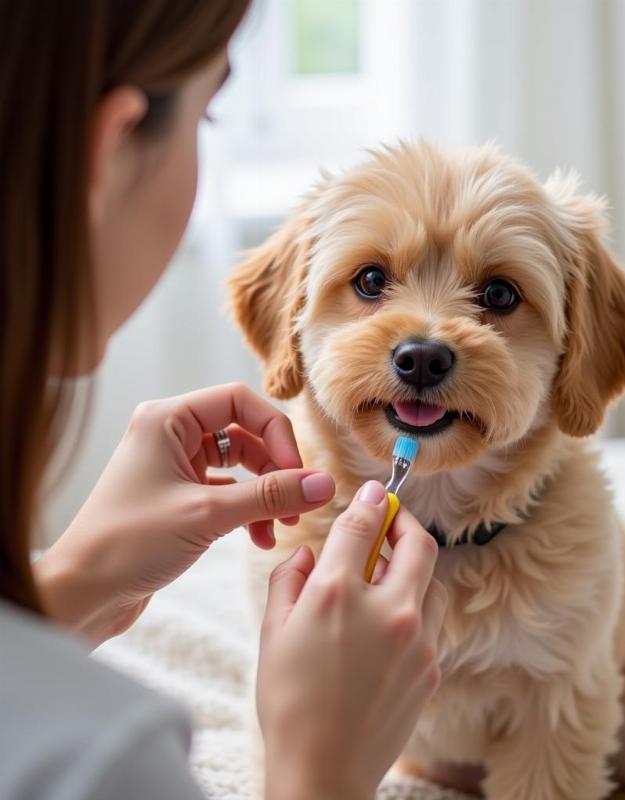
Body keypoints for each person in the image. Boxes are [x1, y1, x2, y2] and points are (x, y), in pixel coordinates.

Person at [0, 3, 447, 799]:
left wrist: (73, 582)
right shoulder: (102, 758)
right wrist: (321, 766)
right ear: (109, 149)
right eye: (209, 113)